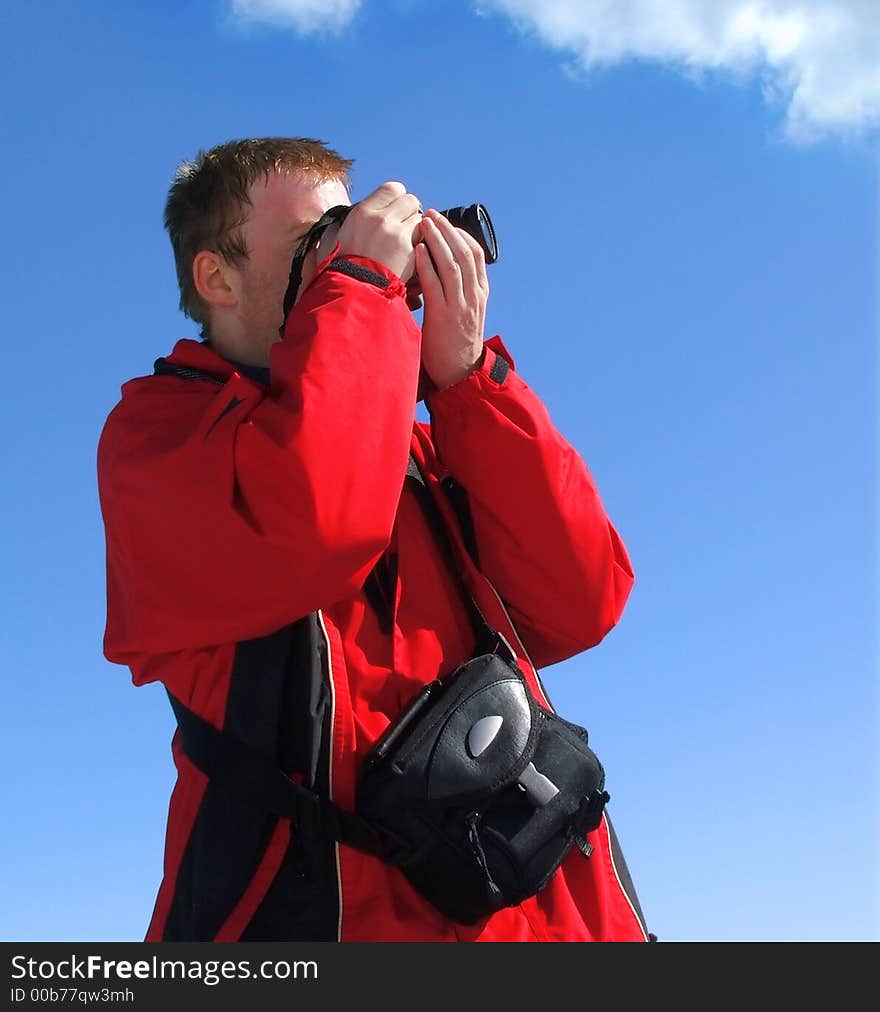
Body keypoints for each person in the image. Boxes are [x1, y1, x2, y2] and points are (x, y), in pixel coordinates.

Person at [97, 136, 651, 942]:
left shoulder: (417, 450)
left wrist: (466, 382)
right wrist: (359, 287)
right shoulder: (157, 434)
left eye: (356, 231)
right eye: (316, 239)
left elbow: (584, 600)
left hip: (545, 917)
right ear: (216, 277)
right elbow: (317, 524)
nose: (362, 251)